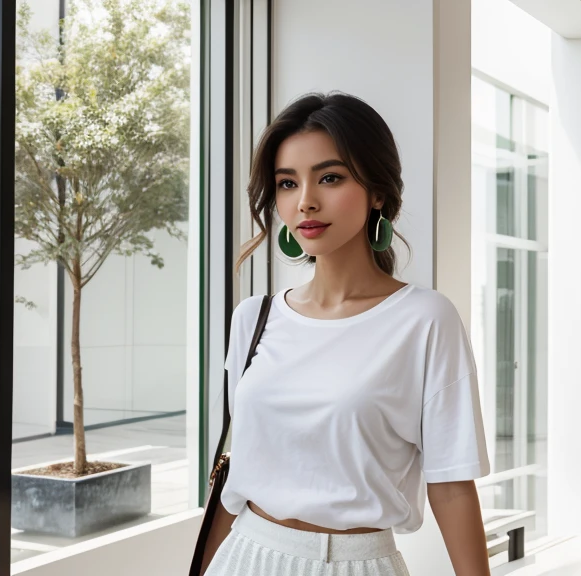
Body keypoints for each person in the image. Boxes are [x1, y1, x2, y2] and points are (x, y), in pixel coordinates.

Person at [202, 92, 492, 576]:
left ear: (377, 191)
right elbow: (235, 479)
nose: (306, 201)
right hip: (244, 555)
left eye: (330, 177)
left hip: (356, 564)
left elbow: (452, 484)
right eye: (287, 183)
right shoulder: (253, 318)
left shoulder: (425, 319)